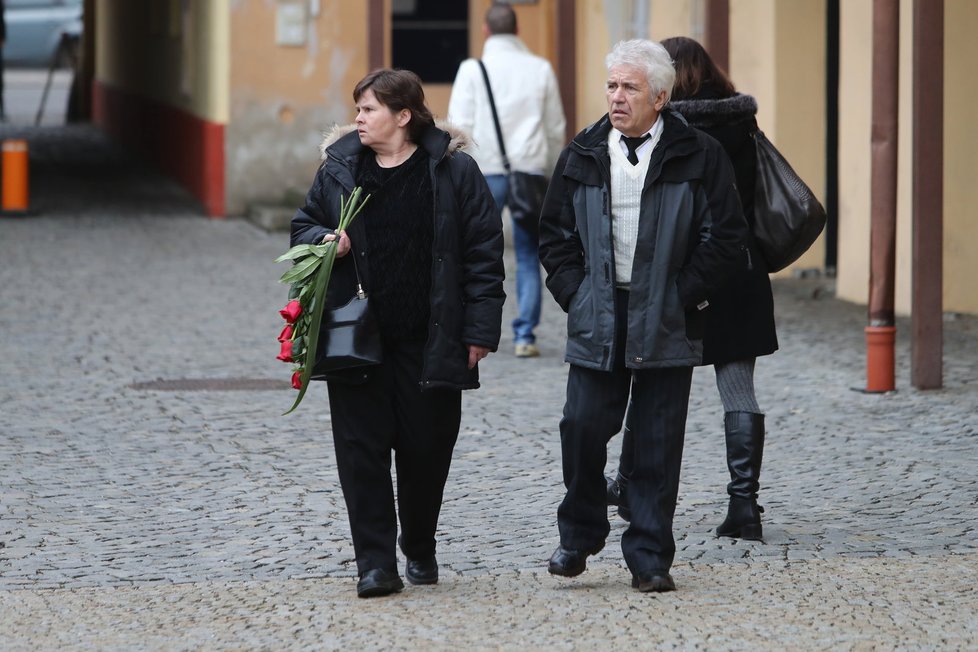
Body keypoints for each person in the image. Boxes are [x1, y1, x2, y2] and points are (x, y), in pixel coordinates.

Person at [538, 39, 748, 593]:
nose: (616, 97)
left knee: (656, 441)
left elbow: (726, 240)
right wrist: (577, 295)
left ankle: (650, 555)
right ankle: (580, 533)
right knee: (581, 428)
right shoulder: (582, 151)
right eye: (611, 85)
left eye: (629, 87)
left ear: (660, 95)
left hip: (667, 316)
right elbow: (554, 235)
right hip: (598, 312)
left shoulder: (698, 153)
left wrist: (680, 296)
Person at [290, 68, 505, 598]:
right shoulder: (340, 169)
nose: (357, 119)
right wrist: (326, 240)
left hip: (431, 339)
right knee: (360, 452)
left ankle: (420, 542)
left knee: (426, 451)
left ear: (403, 115)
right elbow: (301, 228)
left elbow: (483, 255)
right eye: (358, 109)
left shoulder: (454, 172)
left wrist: (479, 331)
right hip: (357, 338)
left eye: (368, 110)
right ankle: (375, 563)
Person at [606, 36, 778, 542]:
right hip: (739, 272)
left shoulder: (670, 134)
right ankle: (744, 505)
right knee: (738, 389)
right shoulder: (741, 125)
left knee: (647, 382)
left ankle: (630, 484)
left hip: (675, 276)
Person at [447, 1, 565, 358]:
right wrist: (543, 165)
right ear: (517, 30)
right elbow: (555, 126)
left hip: (483, 171)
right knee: (530, 254)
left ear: (485, 30)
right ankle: (525, 335)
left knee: (471, 251)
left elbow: (458, 123)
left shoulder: (472, 69)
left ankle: (467, 327)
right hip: (528, 172)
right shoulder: (540, 68)